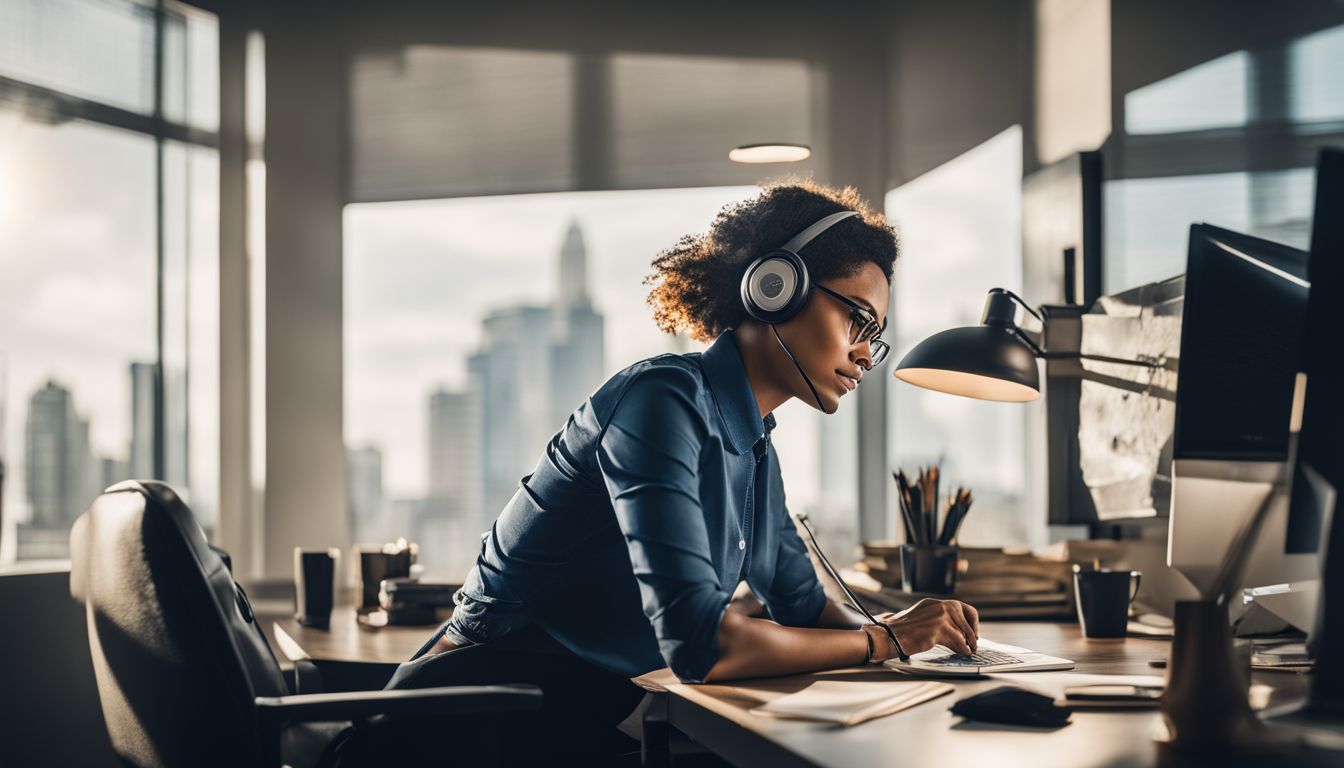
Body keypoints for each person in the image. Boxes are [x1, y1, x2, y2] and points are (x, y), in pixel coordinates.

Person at [384, 181, 981, 762]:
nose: (865, 354)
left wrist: (914, 641)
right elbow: (701, 647)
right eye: (857, 319)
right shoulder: (661, 399)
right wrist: (886, 640)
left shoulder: (751, 442)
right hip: (467, 722)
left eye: (875, 337)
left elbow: (801, 606)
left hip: (575, 723)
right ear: (777, 288)